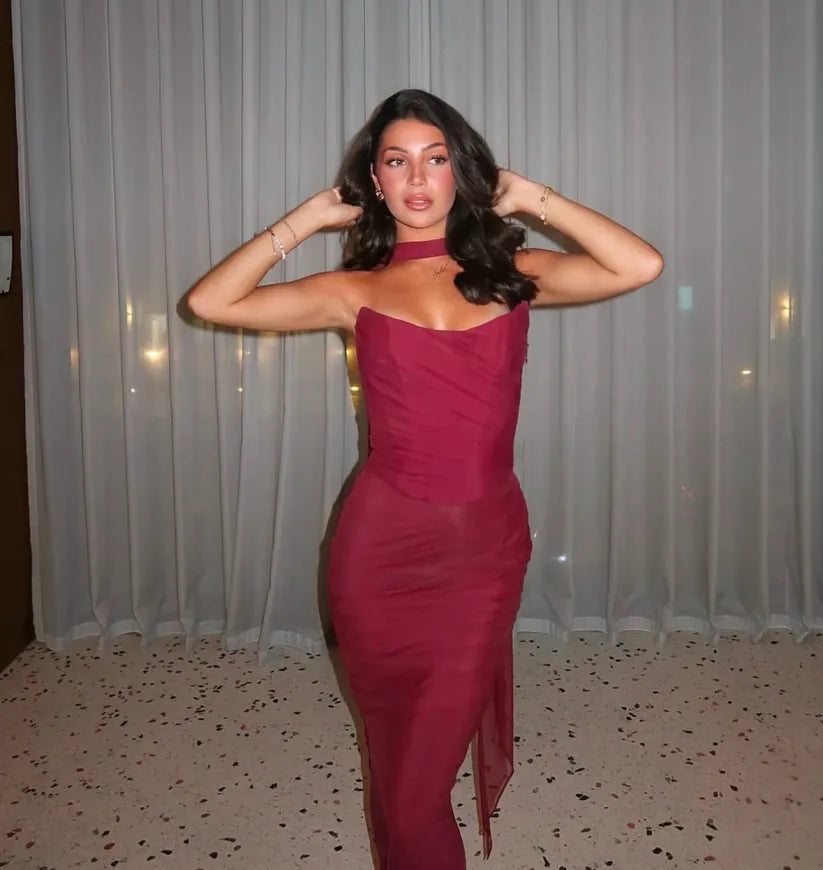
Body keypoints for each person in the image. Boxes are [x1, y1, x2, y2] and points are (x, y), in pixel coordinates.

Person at [188, 88, 663, 869]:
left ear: (460, 171)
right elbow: (210, 301)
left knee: (417, 780)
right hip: (378, 552)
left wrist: (530, 196)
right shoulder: (353, 291)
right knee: (399, 757)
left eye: (435, 159)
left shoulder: (511, 274)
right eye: (396, 161)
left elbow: (639, 264)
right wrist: (305, 220)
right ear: (373, 181)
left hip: (483, 553)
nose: (416, 178)